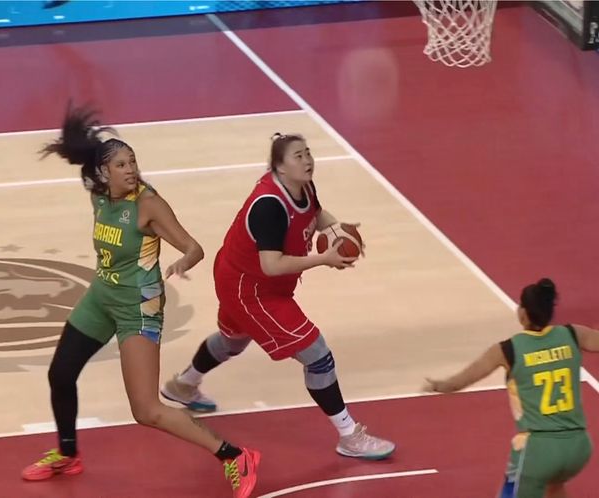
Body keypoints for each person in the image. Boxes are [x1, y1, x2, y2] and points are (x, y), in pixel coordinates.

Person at [21, 104, 260, 498]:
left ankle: (234, 455)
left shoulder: (147, 204)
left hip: (139, 308)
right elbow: (86, 159)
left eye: (132, 162)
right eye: (121, 164)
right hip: (102, 296)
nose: (130, 169)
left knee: (146, 410)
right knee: (60, 374)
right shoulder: (99, 195)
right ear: (103, 173)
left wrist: (183, 261)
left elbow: (194, 246)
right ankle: (67, 454)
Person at [161, 132, 395, 460]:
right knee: (317, 355)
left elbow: (315, 213)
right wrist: (324, 259)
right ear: (280, 167)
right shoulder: (269, 206)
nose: (307, 160)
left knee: (233, 341)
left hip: (241, 276)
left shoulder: (302, 185)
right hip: (251, 289)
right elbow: (271, 265)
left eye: (308, 153)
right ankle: (349, 436)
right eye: (298, 156)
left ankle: (183, 385)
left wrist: (337, 231)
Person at [424, 278, 595, 498]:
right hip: (579, 448)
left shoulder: (508, 350)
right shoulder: (573, 334)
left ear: (523, 313)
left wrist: (438, 385)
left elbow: (460, 381)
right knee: (554, 487)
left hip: (539, 451)